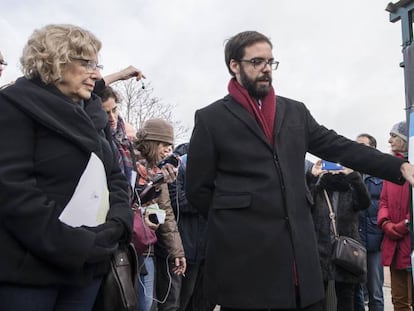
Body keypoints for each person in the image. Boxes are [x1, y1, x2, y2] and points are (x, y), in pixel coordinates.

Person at [185, 30, 414, 311]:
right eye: (257, 62)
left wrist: (399, 165)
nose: (266, 69)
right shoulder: (211, 119)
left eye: (270, 62)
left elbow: (340, 147)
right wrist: (236, 219)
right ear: (235, 65)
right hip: (244, 262)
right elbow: (198, 189)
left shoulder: (294, 112)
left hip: (299, 259)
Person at [0, 24, 133, 311]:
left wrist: (118, 224)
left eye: (97, 65)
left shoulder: (94, 116)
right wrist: (76, 244)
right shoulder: (13, 105)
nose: (96, 74)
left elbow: (116, 178)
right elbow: (12, 190)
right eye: (86, 63)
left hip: (89, 271)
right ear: (55, 59)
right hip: (29, 274)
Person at [133, 118, 186, 311]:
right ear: (153, 143)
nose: (168, 150)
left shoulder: (159, 173)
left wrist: (177, 252)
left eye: (170, 145)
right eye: (164, 145)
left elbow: (167, 212)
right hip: (123, 247)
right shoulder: (127, 163)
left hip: (147, 247)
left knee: (146, 305)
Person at [307, 160, 370, 311]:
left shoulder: (351, 189)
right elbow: (304, 200)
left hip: (346, 250)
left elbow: (365, 202)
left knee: (346, 296)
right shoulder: (319, 189)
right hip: (320, 249)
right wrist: (312, 176)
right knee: (318, 296)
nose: (334, 169)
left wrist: (353, 175)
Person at [167, 143, 216, 311]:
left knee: (198, 301)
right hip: (185, 246)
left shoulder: (216, 168)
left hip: (205, 251)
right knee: (177, 301)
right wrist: (207, 200)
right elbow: (177, 202)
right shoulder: (182, 162)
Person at [377, 121, 412, 311]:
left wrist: (406, 223)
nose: (389, 140)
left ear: (405, 139)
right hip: (394, 242)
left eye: (394, 136)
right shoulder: (391, 168)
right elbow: (383, 201)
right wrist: (386, 223)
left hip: (409, 241)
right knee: (398, 300)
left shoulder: (411, 167)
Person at [354, 133, 384, 311]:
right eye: (356, 144)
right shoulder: (352, 171)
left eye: (362, 145)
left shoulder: (382, 171)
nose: (358, 147)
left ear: (373, 148)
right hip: (355, 239)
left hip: (375, 239)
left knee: (375, 293)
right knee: (356, 290)